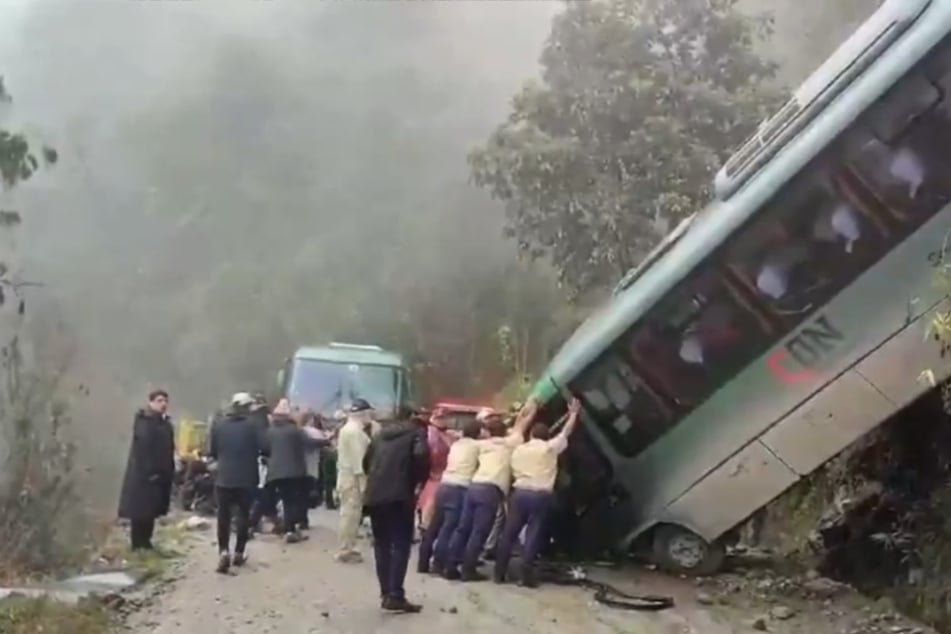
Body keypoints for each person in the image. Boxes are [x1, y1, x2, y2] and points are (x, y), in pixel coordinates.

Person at [444, 399, 537, 581]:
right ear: (505, 432)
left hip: (474, 486)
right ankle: (468, 570)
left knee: (464, 528)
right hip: (490, 490)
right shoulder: (510, 443)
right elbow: (522, 424)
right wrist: (532, 407)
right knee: (480, 531)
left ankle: (451, 565)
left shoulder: (482, 445)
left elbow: (517, 426)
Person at [494, 398, 581, 587]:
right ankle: (526, 575)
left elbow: (518, 429)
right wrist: (573, 413)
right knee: (534, 533)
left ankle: (499, 572)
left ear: (532, 435)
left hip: (519, 494)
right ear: (546, 436)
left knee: (509, 532)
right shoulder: (549, 449)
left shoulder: (518, 448)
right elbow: (566, 432)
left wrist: (528, 410)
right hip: (540, 496)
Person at [362, 407, 429, 613]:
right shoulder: (416, 433)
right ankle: (396, 594)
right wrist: (416, 480)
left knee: (382, 545)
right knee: (401, 544)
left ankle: (386, 592)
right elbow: (421, 456)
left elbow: (366, 462)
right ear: (411, 417)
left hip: (375, 496)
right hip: (400, 496)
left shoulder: (380, 435)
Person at [207, 392, 270, 573]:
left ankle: (223, 551)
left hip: (224, 477)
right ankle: (239, 552)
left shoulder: (220, 425)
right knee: (243, 514)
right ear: (246, 407)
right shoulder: (254, 426)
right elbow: (265, 448)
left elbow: (212, 451)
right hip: (246, 478)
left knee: (223, 517)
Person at [417, 417, 483, 575]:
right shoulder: (477, 446)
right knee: (449, 528)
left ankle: (423, 562)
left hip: (444, 485)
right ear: (479, 433)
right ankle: (439, 564)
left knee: (434, 526)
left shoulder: (456, 444)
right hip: (460, 488)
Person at [118, 389, 175, 551]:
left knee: (151, 511)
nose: (163, 404)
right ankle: (137, 544)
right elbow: (144, 448)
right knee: (140, 512)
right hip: (143, 475)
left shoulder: (165, 424)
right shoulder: (144, 422)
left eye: (165, 401)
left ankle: (146, 541)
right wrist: (151, 470)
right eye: (159, 401)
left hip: (160, 475)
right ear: (151, 403)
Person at [266, 398, 321, 544]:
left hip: (276, 471)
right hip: (294, 472)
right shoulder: (294, 430)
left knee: (285, 499)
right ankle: (290, 530)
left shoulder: (270, 431)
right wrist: (327, 440)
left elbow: (265, 449)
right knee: (293, 500)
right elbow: (310, 443)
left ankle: (288, 527)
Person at [335, 398, 373, 563]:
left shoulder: (347, 429)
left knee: (348, 514)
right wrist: (365, 486)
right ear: (363, 413)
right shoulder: (355, 433)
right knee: (351, 515)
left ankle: (348, 546)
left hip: (345, 477)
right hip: (353, 479)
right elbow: (360, 463)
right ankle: (346, 549)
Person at [416, 409, 454, 537]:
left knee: (429, 498)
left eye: (445, 418)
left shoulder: (444, 433)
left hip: (439, 472)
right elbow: (434, 453)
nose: (444, 420)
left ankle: (426, 524)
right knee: (430, 499)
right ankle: (425, 525)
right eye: (441, 418)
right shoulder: (432, 433)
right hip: (435, 473)